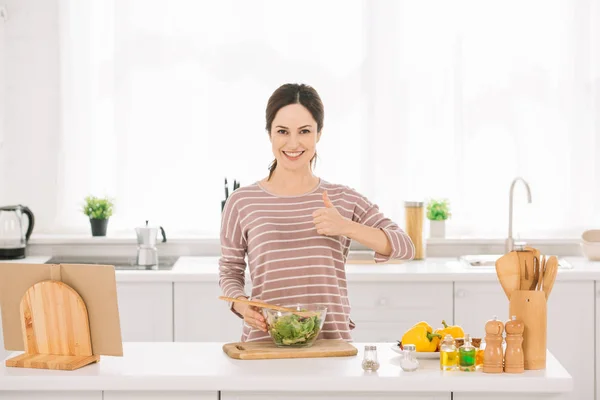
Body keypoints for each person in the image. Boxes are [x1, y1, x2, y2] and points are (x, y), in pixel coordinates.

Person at [219, 83, 415, 342]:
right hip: (264, 342)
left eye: (304, 131)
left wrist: (346, 227)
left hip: (330, 343)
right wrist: (241, 305)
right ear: (269, 134)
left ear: (319, 134)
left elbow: (405, 247)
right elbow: (230, 270)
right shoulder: (243, 201)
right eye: (282, 131)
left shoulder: (342, 198)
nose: (293, 143)